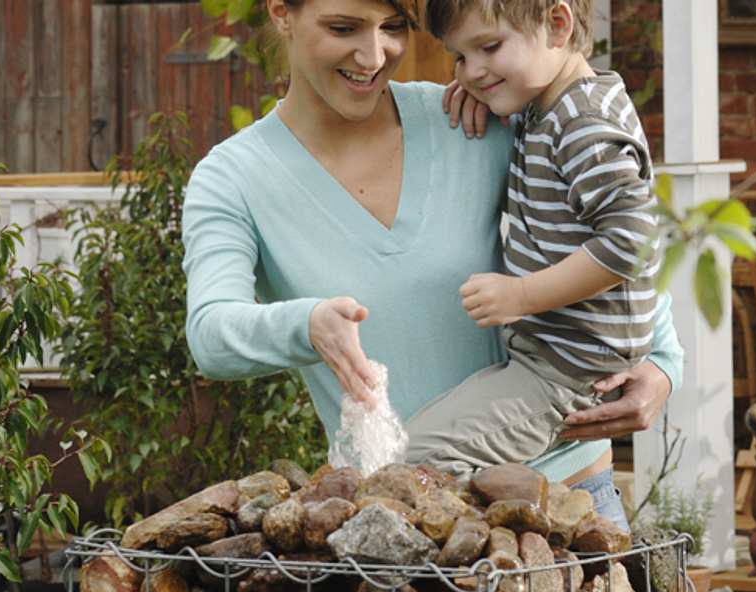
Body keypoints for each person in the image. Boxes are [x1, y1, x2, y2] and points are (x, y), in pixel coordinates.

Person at [181, 0, 683, 531]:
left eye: (393, 28)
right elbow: (211, 332)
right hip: (408, 525)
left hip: (565, 501)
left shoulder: (468, 116)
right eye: (343, 28)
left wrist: (665, 362)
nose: (374, 55)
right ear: (281, 13)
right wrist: (306, 325)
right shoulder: (234, 177)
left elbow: (612, 233)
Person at [404, 0, 661, 482]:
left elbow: (632, 241)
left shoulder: (581, 123)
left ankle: (520, 532)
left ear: (557, 25)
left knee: (418, 456)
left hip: (567, 373)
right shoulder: (549, 104)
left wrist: (522, 294)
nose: (472, 71)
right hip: (554, 360)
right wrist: (488, 89)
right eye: (459, 56)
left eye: (489, 47)